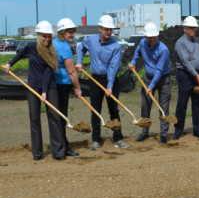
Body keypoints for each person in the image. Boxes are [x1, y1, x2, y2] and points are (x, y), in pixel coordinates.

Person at [2, 21, 65, 160]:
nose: (47, 39)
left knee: (54, 117)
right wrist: (9, 64)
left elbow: (48, 73)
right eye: (44, 36)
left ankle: (58, 152)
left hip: (49, 86)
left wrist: (44, 92)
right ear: (38, 35)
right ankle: (37, 153)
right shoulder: (31, 47)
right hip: (32, 87)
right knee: (34, 119)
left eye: (49, 36)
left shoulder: (52, 52)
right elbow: (19, 55)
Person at [75, 15, 129, 150]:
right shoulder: (91, 40)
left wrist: (109, 86)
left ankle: (118, 138)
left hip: (111, 80)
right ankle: (96, 140)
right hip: (94, 79)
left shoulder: (115, 47)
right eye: (106, 29)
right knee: (95, 111)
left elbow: (113, 67)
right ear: (100, 28)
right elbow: (80, 48)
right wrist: (79, 61)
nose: (109, 32)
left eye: (111, 30)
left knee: (114, 111)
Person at [128, 22, 171, 144]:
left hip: (163, 79)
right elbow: (137, 53)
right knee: (145, 106)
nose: (152, 39)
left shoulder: (163, 50)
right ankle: (144, 132)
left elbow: (159, 71)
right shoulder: (142, 43)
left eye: (154, 37)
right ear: (145, 36)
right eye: (149, 37)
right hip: (147, 77)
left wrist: (151, 87)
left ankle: (163, 135)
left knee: (163, 107)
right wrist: (133, 62)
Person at [173, 16, 199, 140]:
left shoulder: (197, 40)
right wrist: (196, 75)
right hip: (185, 75)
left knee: (198, 103)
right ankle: (178, 130)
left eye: (195, 28)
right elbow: (186, 62)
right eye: (191, 28)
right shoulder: (180, 43)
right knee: (182, 104)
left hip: (197, 73)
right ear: (185, 29)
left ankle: (198, 130)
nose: (194, 30)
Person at [53, 18, 83, 156]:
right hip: (62, 85)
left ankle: (61, 146)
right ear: (62, 32)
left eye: (73, 32)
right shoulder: (64, 47)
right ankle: (63, 147)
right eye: (69, 32)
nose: (72, 35)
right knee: (62, 117)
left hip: (54, 84)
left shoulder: (54, 44)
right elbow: (71, 72)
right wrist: (77, 88)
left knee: (57, 117)